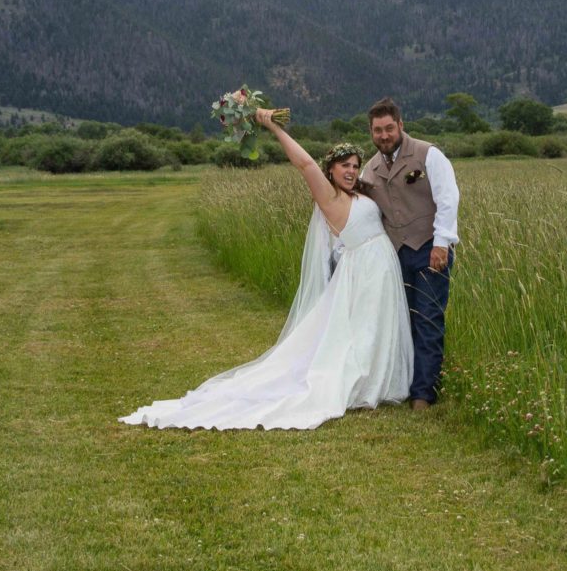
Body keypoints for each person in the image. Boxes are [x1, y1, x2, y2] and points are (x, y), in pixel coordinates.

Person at [118, 111, 413, 431]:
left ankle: (381, 382)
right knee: (361, 331)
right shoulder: (329, 196)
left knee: (375, 326)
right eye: (345, 165)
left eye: (356, 165)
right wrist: (272, 125)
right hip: (363, 270)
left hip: (382, 267)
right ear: (331, 169)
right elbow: (304, 164)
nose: (352, 171)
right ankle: (361, 386)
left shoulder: (358, 193)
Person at [361, 97, 459, 410]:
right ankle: (403, 386)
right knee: (401, 322)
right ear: (372, 132)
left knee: (428, 320)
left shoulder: (429, 154)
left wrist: (442, 242)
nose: (384, 135)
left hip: (430, 248)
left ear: (401, 126)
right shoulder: (370, 169)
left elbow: (447, 198)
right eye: (378, 130)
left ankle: (423, 395)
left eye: (389, 128)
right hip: (395, 255)